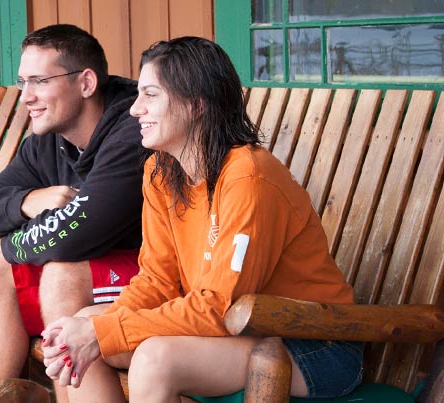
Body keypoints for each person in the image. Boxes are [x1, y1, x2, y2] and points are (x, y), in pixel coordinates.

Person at [40, 37, 362, 402]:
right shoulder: (161, 174)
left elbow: (221, 305)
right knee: (83, 326)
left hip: (311, 344)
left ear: (195, 105)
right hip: (238, 332)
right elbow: (157, 281)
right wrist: (95, 330)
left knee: (152, 358)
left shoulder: (248, 177)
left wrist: (106, 331)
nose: (134, 109)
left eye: (150, 95)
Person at [0, 24, 149, 402]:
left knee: (58, 275)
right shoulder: (46, 144)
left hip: (157, 273)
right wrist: (27, 201)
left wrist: (10, 245)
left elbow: (74, 235)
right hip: (97, 267)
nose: (26, 97)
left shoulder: (132, 131)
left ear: (85, 83)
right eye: (22, 83)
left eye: (39, 81)